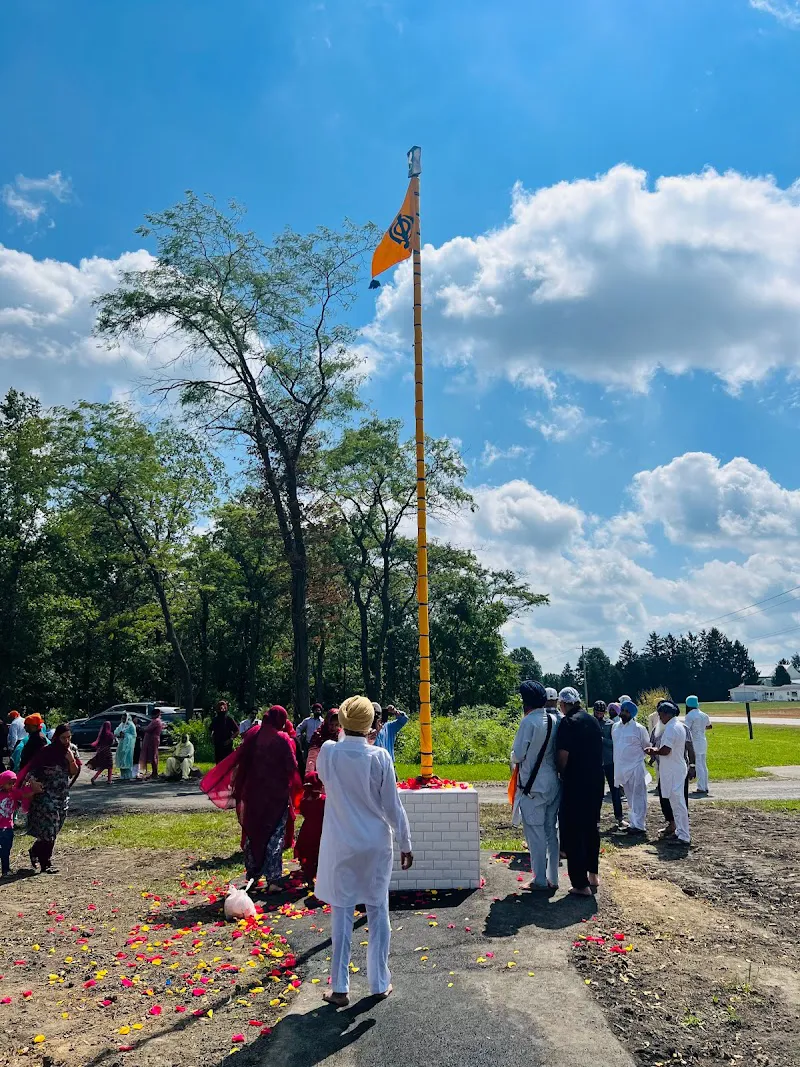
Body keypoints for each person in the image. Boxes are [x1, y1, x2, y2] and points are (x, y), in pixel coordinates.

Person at [315, 694, 412, 1007]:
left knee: (342, 914)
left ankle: (340, 988)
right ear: (372, 724)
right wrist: (406, 841)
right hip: (375, 844)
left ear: (341, 722)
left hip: (341, 845)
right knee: (377, 909)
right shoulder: (380, 757)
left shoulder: (329, 753)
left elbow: (322, 776)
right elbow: (392, 806)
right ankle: (379, 982)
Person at [201, 705, 302, 891]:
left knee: (253, 834)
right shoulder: (283, 739)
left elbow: (241, 759)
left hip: (253, 794)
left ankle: (252, 877)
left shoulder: (253, 734)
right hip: (276, 796)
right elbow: (292, 765)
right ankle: (273, 880)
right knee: (275, 835)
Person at [510, 680, 561, 891]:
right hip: (552, 782)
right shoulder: (553, 719)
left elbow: (519, 754)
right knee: (551, 831)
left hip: (533, 787)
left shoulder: (528, 722)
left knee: (536, 834)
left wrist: (512, 757)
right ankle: (554, 878)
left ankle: (540, 879)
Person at [555, 687, 604, 897]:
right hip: (596, 780)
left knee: (574, 831)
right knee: (591, 827)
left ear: (563, 704)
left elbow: (563, 755)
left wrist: (561, 773)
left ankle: (580, 884)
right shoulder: (592, 721)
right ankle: (593, 874)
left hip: (577, 781)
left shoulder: (567, 722)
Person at [19, 723, 78, 874]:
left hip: (62, 795)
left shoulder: (71, 750)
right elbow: (31, 772)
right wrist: (33, 783)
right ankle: (46, 863)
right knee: (49, 829)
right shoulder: (46, 752)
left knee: (56, 828)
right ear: (56, 737)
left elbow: (74, 771)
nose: (66, 741)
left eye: (68, 737)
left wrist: (70, 759)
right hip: (45, 795)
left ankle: (35, 850)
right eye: (63, 738)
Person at [294, 712, 340, 889]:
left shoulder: (342, 737)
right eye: (332, 724)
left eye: (338, 724)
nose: (335, 728)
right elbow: (312, 761)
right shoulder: (319, 738)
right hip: (319, 783)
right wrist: (313, 780)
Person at [646, 700, 691, 845]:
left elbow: (666, 750)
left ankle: (684, 835)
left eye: (660, 715)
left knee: (678, 803)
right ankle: (679, 831)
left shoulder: (672, 728)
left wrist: (654, 751)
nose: (659, 718)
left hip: (674, 769)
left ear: (666, 714)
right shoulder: (676, 725)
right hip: (673, 768)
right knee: (674, 802)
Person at [612, 701, 650, 834]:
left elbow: (646, 747)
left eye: (627, 711)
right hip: (621, 768)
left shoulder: (639, 728)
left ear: (632, 714)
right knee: (629, 796)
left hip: (635, 767)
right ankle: (633, 822)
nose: (624, 713)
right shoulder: (615, 727)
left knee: (639, 796)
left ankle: (640, 825)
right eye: (623, 710)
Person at [0, 770, 40, 878]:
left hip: (7, 826)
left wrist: (34, 792)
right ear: (2, 783)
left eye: (13, 783)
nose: (12, 785)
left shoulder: (13, 792)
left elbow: (24, 795)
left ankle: (5, 870)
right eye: (9, 783)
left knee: (6, 848)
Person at [593, 700, 623, 827]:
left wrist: (601, 740)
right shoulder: (590, 723)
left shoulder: (611, 724)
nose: (599, 715)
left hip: (610, 761)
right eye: (597, 713)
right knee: (596, 792)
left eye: (601, 713)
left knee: (614, 790)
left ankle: (619, 817)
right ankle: (595, 818)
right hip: (595, 762)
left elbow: (615, 743)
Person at [684, 695, 712, 794]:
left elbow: (686, 729)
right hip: (703, 740)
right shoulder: (704, 714)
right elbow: (709, 726)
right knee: (703, 764)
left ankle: (701, 787)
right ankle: (705, 785)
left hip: (694, 741)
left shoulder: (690, 715)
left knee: (698, 764)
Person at [209, 701, 239, 765]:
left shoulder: (229, 719)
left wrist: (230, 739)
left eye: (223, 706)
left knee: (227, 763)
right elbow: (211, 729)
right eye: (220, 707)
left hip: (227, 744)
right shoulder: (215, 720)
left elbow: (236, 731)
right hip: (218, 745)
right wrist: (211, 737)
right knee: (219, 762)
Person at [140, 710, 164, 780]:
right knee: (152, 755)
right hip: (152, 740)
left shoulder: (156, 721)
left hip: (153, 740)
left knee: (153, 756)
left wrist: (141, 728)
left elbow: (148, 729)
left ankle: (155, 773)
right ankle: (154, 772)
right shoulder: (156, 720)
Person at [114, 713, 137, 780]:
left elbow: (133, 735)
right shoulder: (121, 725)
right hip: (121, 744)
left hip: (128, 746)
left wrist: (126, 735)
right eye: (122, 718)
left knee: (127, 759)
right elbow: (116, 732)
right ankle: (122, 775)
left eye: (124, 718)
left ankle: (128, 775)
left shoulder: (131, 725)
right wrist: (119, 734)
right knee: (121, 759)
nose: (123, 719)